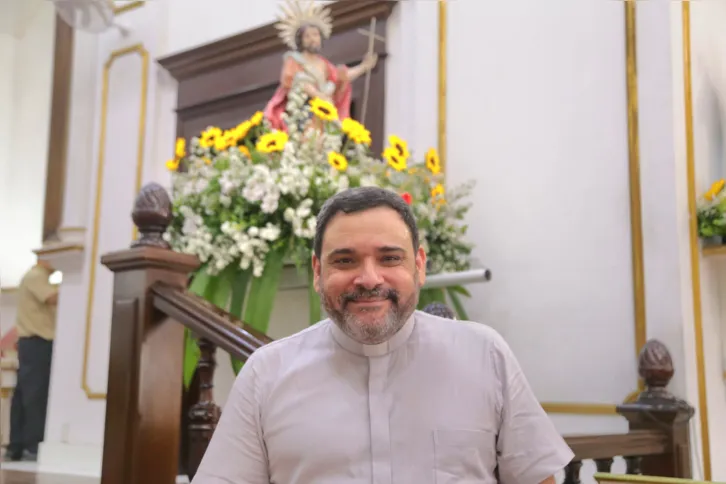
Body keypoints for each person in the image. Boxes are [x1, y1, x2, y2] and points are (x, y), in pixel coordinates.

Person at [192, 187, 574, 483]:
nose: (370, 279)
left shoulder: (485, 356)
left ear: (419, 266)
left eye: (390, 258)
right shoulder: (265, 375)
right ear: (316, 271)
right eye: (345, 260)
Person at [264, 0, 378, 131]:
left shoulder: (324, 65)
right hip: (304, 111)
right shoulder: (294, 60)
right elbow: (294, 82)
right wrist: (318, 94)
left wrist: (364, 66)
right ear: (300, 40)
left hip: (324, 113)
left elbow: (341, 77)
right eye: (307, 36)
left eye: (315, 35)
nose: (312, 39)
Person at [5, 259, 58, 462]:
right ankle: (32, 445)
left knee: (24, 393)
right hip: (38, 342)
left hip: (31, 343)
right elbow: (53, 298)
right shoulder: (37, 276)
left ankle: (16, 446)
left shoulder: (35, 277)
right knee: (35, 394)